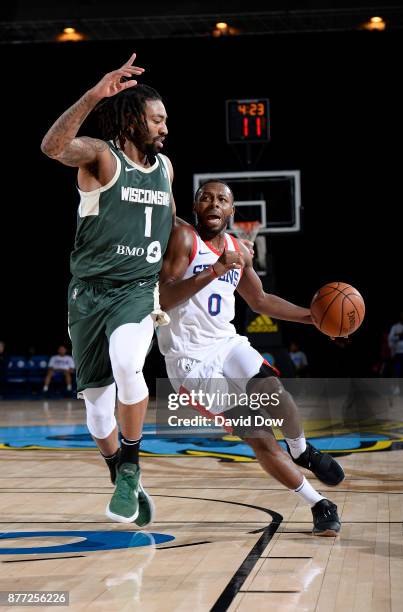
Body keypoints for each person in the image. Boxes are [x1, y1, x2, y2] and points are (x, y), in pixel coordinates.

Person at [158, 180, 344, 536]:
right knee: (259, 436)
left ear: (231, 210)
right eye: (206, 198)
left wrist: (314, 318)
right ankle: (319, 503)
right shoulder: (184, 240)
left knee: (275, 392)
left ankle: (303, 451)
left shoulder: (238, 250)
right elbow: (163, 299)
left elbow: (260, 301)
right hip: (190, 361)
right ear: (196, 207)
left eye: (222, 200)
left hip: (226, 343)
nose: (213, 204)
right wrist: (214, 269)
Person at [41, 53, 175, 526]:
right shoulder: (101, 157)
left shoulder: (165, 169)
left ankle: (132, 464)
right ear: (134, 119)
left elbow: (165, 220)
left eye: (165, 120)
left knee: (127, 361)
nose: (164, 127)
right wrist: (95, 95)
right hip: (88, 294)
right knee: (97, 413)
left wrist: (212, 244)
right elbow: (53, 146)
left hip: (136, 289)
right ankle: (120, 469)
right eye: (157, 119)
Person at [388, 310, 403, 378]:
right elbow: (390, 339)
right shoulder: (395, 327)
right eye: (401, 315)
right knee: (397, 371)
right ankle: (398, 387)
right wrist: (399, 336)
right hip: (398, 352)